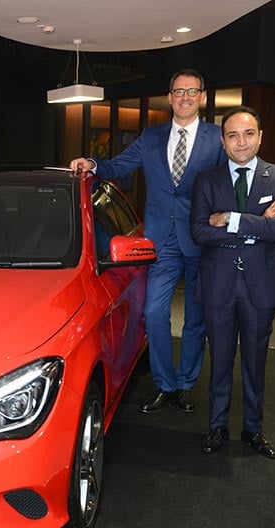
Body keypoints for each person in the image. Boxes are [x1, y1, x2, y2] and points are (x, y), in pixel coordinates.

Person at [70, 69, 226, 414]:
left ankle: (185, 384)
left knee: (196, 318)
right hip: (161, 241)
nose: (185, 97)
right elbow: (119, 166)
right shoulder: (151, 136)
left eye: (192, 91)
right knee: (153, 312)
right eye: (178, 91)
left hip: (202, 239)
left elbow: (228, 182)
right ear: (170, 97)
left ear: (201, 97)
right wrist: (92, 163)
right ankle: (165, 384)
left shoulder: (217, 138)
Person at [190, 105, 275, 458]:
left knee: (255, 360)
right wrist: (258, 223)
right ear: (223, 141)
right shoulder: (206, 179)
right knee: (219, 359)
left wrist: (231, 219)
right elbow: (199, 231)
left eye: (249, 134)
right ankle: (217, 427)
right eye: (233, 135)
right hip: (218, 282)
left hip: (261, 284)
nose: (241, 142)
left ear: (260, 137)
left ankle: (253, 430)